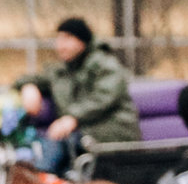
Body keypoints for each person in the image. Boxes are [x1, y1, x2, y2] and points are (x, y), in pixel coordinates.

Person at [45, 17, 140, 163]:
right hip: (84, 133)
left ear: (82, 42)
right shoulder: (64, 70)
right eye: (58, 39)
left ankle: (45, 180)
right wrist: (28, 87)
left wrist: (72, 118)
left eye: (67, 39)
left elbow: (104, 97)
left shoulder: (105, 64)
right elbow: (38, 78)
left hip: (112, 131)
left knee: (59, 146)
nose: (60, 46)